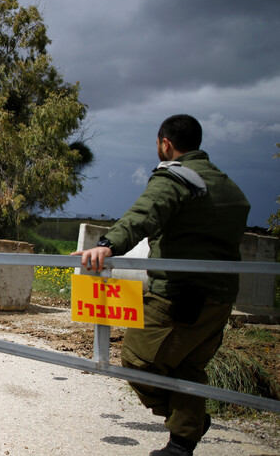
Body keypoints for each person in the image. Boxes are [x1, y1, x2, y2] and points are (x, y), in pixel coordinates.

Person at [72, 114, 249, 456]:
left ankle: (188, 423)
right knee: (187, 366)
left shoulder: (177, 177)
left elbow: (144, 214)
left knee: (137, 359)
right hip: (221, 297)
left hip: (179, 295)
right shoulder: (227, 185)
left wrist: (107, 245)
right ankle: (181, 444)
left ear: (165, 144)